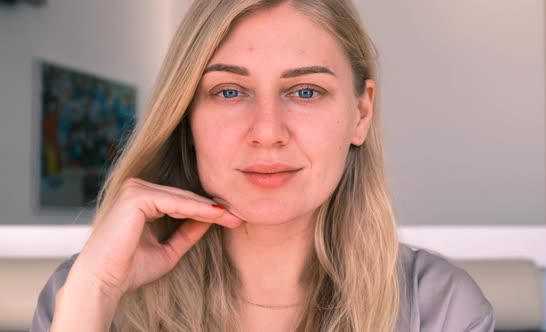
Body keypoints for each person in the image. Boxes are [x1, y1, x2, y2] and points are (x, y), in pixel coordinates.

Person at [31, 0, 494, 331]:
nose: (267, 130)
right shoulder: (84, 294)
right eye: (229, 91)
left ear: (361, 114)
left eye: (306, 91)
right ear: (185, 116)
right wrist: (96, 292)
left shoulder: (441, 310)